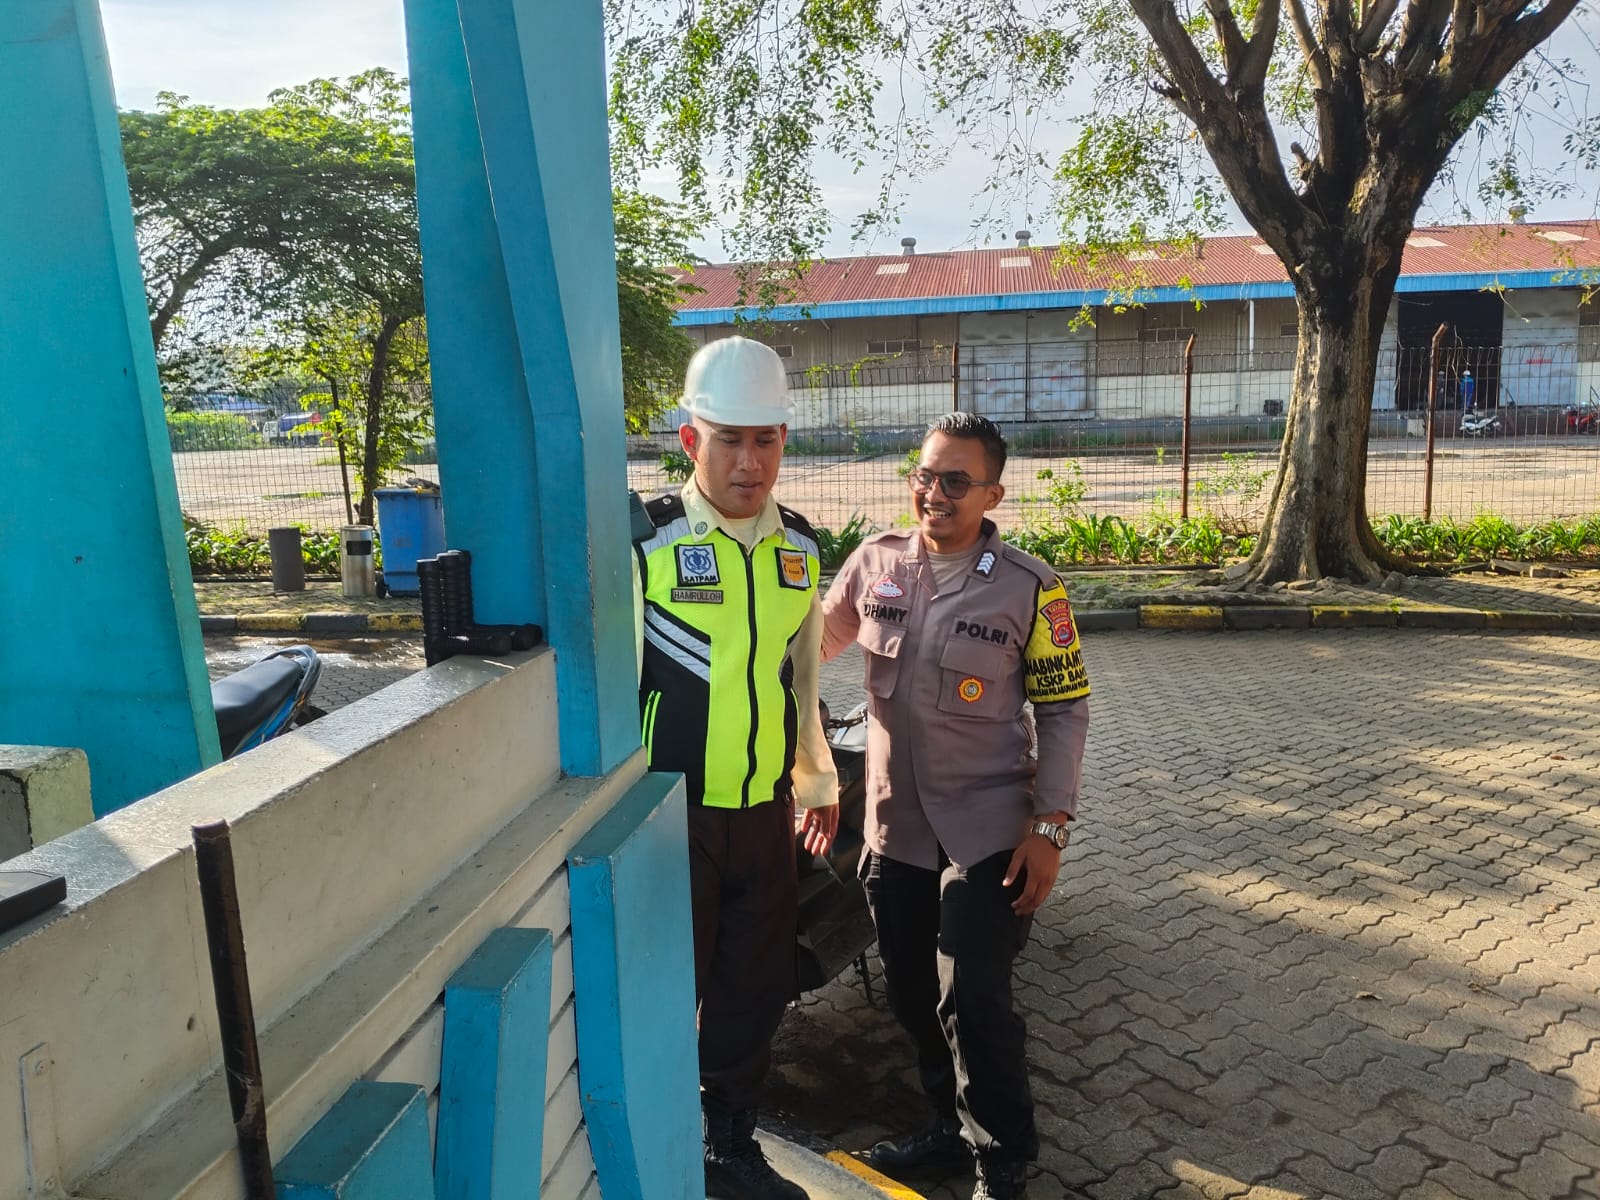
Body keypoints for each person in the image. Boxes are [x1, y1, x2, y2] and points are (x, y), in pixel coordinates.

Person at [821, 412, 1090, 1200]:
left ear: (991, 494)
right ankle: (949, 1124)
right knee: (911, 992)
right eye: (924, 475)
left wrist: (1050, 827)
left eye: (955, 481)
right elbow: (807, 647)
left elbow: (1065, 711)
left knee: (971, 996)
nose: (933, 493)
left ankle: (1000, 1162)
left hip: (988, 828)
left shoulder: (1030, 588)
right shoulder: (875, 564)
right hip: (894, 825)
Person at [633, 336, 839, 1200]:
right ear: (691, 440)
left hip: (762, 811)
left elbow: (802, 679)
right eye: (729, 440)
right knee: (659, 983)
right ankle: (651, 1140)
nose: (749, 463)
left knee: (754, 983)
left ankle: (729, 1140)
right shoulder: (645, 543)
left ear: (784, 440)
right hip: (666, 814)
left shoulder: (801, 548)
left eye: (766, 439)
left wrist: (816, 782)